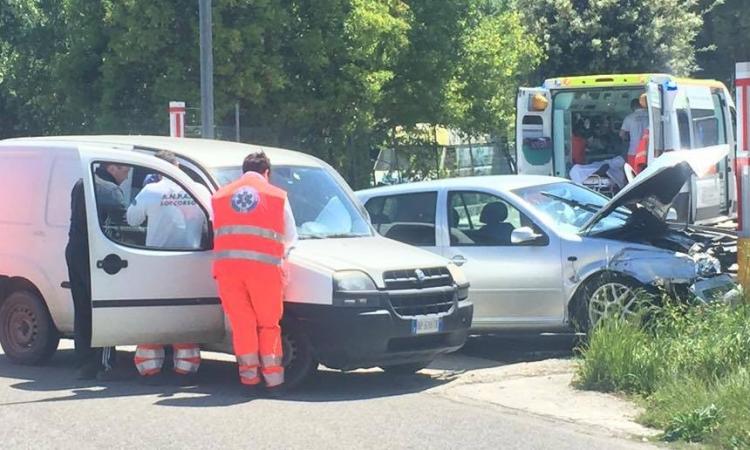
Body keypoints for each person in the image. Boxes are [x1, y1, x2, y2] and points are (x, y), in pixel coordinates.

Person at [211, 151, 297, 395]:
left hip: (228, 271)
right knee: (268, 325)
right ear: (266, 172)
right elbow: (290, 237)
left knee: (242, 324)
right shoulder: (277, 196)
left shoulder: (220, 196)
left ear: (243, 171)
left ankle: (249, 380)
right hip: (265, 271)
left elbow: (214, 227)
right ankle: (274, 382)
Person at [126, 150, 211, 384]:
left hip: (157, 261)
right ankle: (186, 367)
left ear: (156, 170)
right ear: (178, 167)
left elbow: (131, 219)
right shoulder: (199, 190)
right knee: (184, 315)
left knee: (155, 314)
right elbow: (210, 220)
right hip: (192, 259)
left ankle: (150, 368)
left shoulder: (151, 190)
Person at [65, 162, 130, 380]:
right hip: (100, 256)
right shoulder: (110, 190)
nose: (127, 175)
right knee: (103, 310)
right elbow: (125, 226)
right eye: (125, 170)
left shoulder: (81, 183)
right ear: (112, 168)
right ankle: (104, 364)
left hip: (75, 251)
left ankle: (84, 362)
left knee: (83, 309)